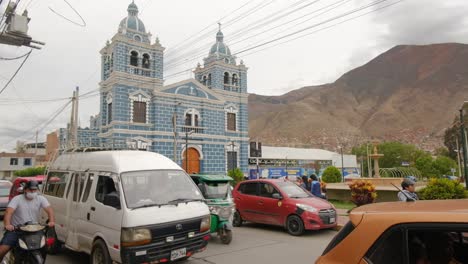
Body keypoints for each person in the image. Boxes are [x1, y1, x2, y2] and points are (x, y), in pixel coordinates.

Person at [0, 180, 55, 260]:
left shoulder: (41, 199)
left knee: (44, 247)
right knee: (2, 250)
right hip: (16, 230)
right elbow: (9, 212)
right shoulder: (17, 199)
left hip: (34, 229)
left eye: (34, 190)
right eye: (30, 190)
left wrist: (51, 221)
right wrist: (8, 224)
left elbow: (49, 210)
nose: (32, 192)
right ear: (25, 190)